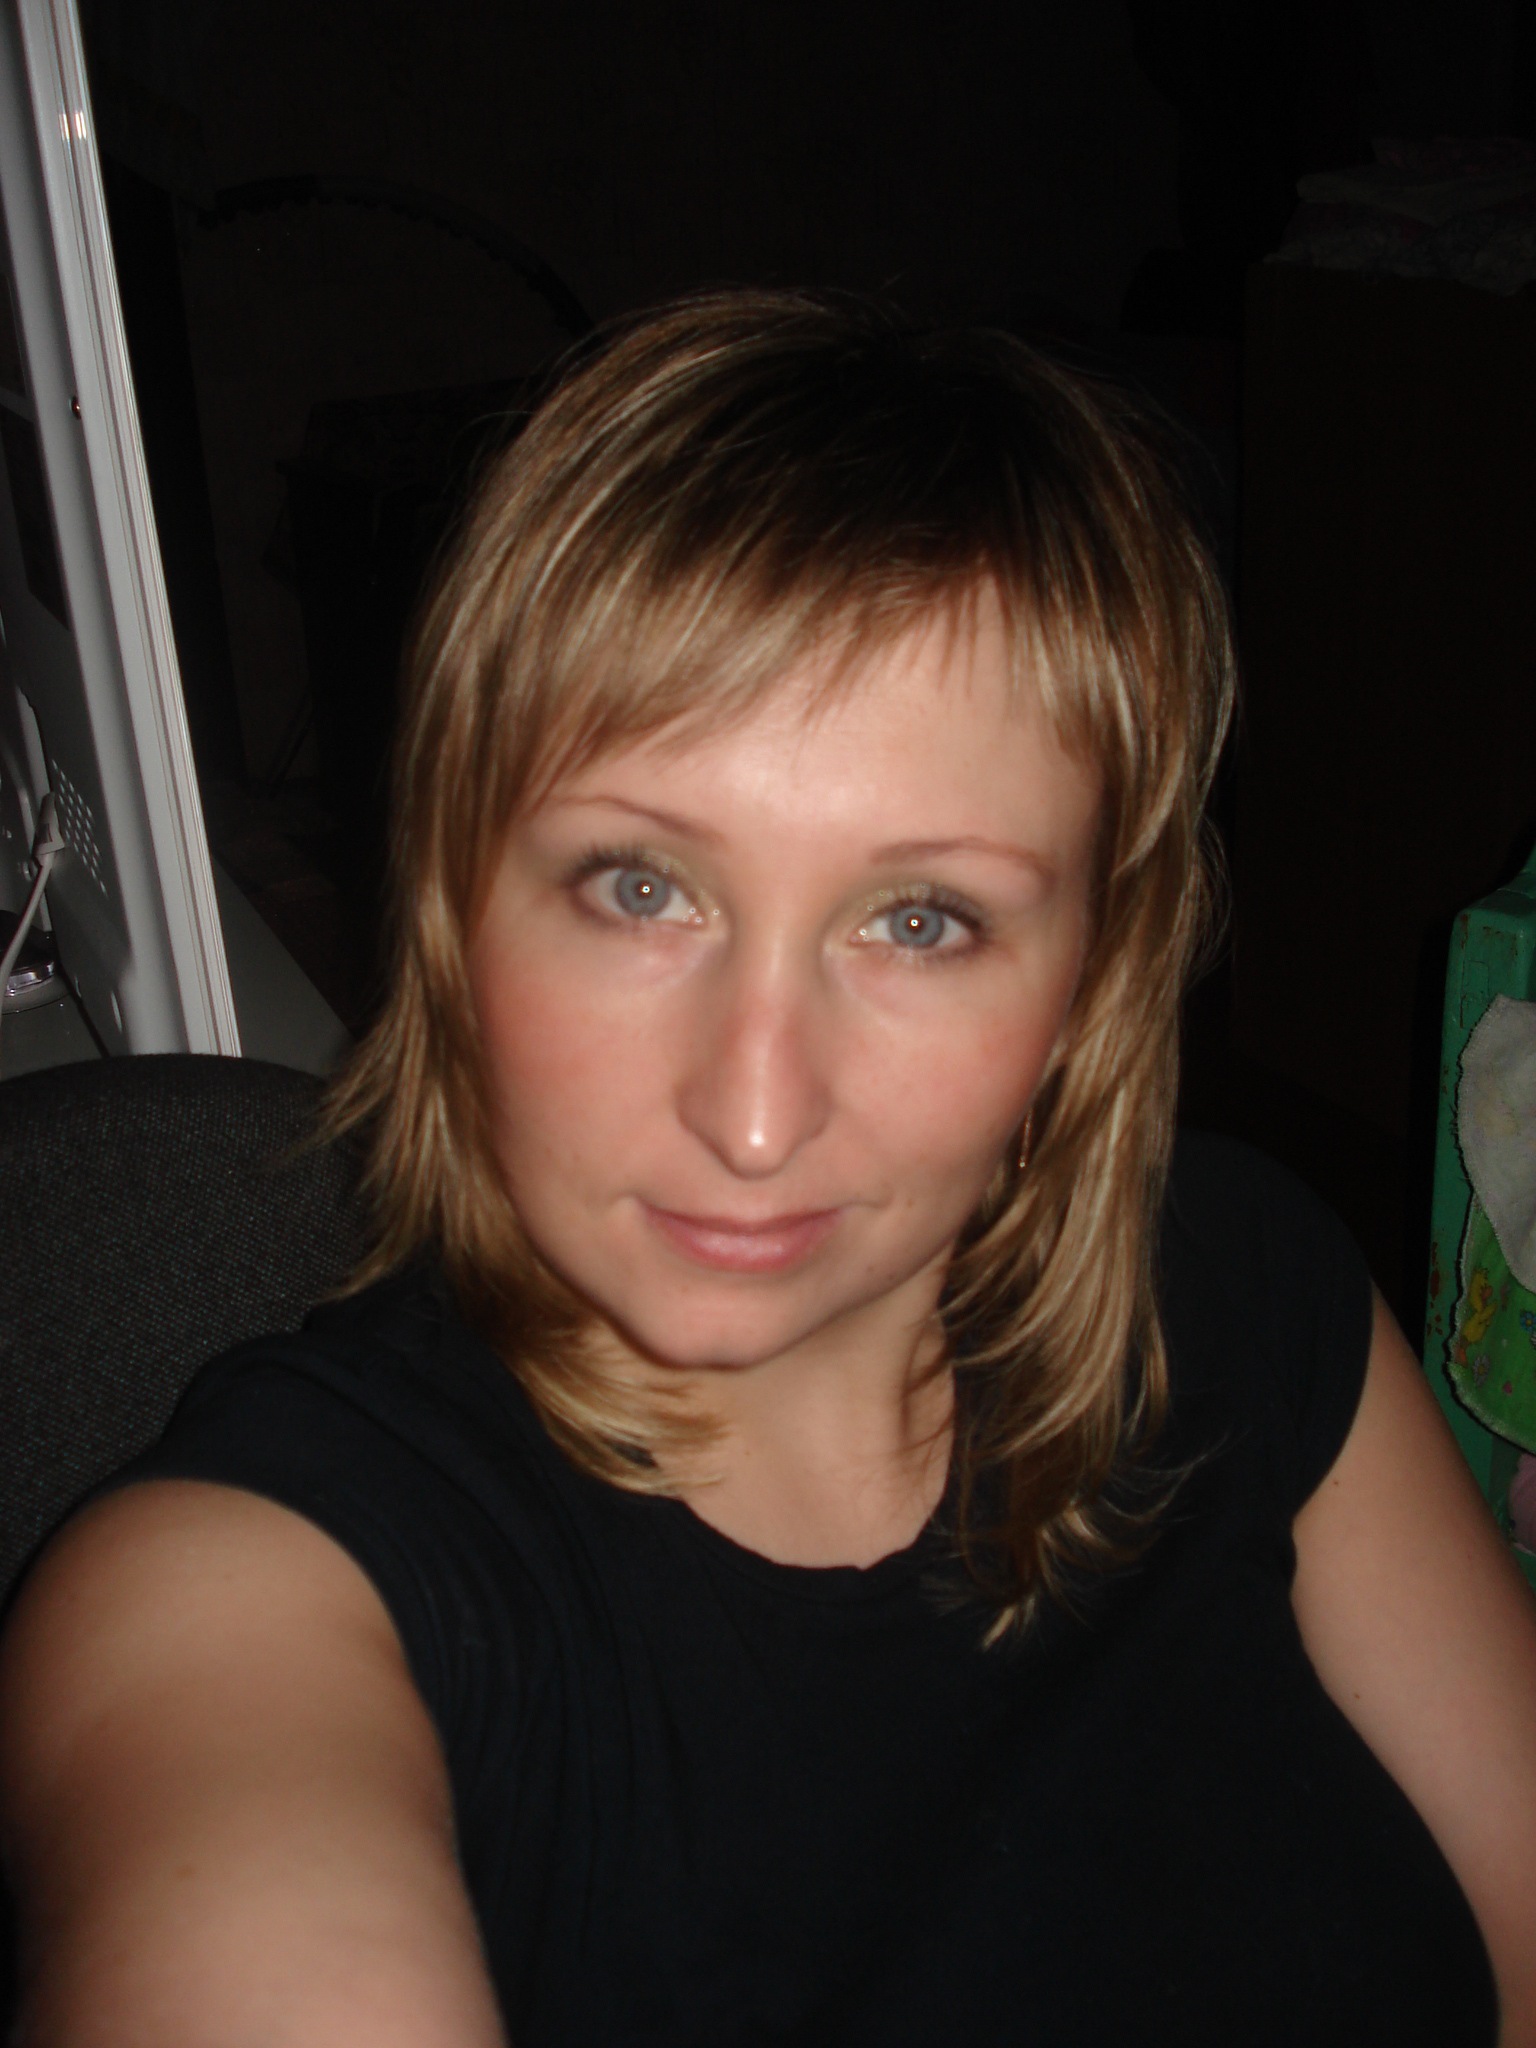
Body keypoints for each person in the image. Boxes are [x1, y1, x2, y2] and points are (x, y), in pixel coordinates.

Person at [2, 290, 1535, 2048]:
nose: (753, 1116)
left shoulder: (1252, 1294)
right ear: (450, 910)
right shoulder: (246, 1585)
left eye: (921, 920)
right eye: (641, 888)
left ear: (1096, 975)